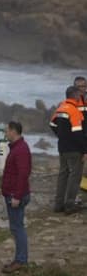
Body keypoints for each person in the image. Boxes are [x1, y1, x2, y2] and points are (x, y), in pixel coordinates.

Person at [1, 121, 32, 274]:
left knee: (17, 228)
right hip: (13, 193)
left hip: (16, 195)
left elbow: (23, 174)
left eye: (7, 131)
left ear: (13, 131)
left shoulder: (20, 150)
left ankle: (21, 260)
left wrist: (17, 196)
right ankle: (20, 259)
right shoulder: (17, 148)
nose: (5, 134)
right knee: (16, 227)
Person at [50, 86, 87, 214]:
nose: (80, 97)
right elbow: (78, 134)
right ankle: (69, 205)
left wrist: (62, 136)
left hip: (62, 147)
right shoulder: (74, 111)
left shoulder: (61, 107)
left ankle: (58, 204)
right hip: (74, 149)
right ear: (75, 96)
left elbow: (52, 124)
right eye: (79, 94)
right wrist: (85, 150)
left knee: (63, 175)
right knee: (75, 176)